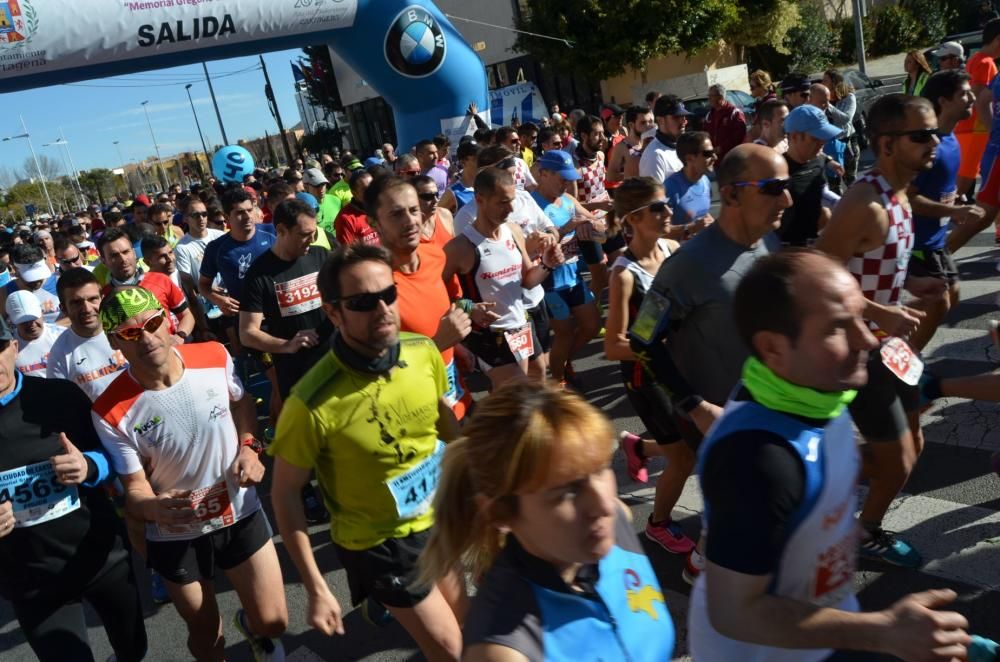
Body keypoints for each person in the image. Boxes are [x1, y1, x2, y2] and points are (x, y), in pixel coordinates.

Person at [687, 249, 971, 661]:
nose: (868, 338)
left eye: (861, 316)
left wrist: (836, 530)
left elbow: (815, 481)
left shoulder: (819, 392)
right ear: (774, 348)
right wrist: (885, 633)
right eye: (839, 328)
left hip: (820, 633)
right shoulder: (754, 459)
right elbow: (734, 613)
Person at [269, 244, 465, 660]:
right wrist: (316, 585)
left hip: (437, 518)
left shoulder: (421, 350)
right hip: (379, 543)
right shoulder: (310, 402)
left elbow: (442, 414)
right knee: (451, 648)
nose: (382, 310)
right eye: (362, 302)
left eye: (388, 294)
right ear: (333, 313)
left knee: (469, 622)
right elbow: (285, 493)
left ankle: (382, 605)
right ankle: (382, 595)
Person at [92, 287, 288, 661]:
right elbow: (134, 489)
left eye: (151, 324)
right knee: (206, 632)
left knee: (274, 622)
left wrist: (250, 445)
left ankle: (253, 626)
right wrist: (153, 507)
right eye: (131, 333)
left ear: (167, 322)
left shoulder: (213, 354)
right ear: (115, 341)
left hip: (238, 511)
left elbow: (241, 401)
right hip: (177, 533)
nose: (147, 338)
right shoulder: (109, 408)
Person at [419, 382, 676, 661]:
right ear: (501, 513)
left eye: (601, 468)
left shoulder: (615, 518)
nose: (602, 504)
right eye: (567, 491)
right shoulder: (503, 653)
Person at [629, 144, 789, 581]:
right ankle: (707, 577)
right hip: (715, 417)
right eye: (774, 188)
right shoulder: (687, 265)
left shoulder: (766, 241)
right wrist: (695, 407)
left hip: (765, 407)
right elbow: (641, 338)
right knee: (743, 505)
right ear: (732, 195)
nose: (786, 199)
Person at [814, 94, 945, 567]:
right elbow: (818, 274)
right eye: (922, 135)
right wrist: (877, 310)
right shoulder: (865, 203)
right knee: (899, 462)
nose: (936, 141)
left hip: (890, 347)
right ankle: (857, 525)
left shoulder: (900, 192)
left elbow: (875, 260)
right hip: (859, 349)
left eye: (934, 132)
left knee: (915, 445)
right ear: (887, 144)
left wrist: (913, 281)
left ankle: (819, 476)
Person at [0, 315, 148, 662]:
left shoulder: (59, 396)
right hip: (32, 580)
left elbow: (117, 456)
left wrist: (89, 465)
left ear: (13, 347)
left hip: (101, 557)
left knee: (134, 650)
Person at [604, 177, 695, 558]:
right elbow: (613, 346)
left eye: (666, 204)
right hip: (648, 378)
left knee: (693, 442)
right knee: (685, 457)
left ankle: (637, 447)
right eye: (658, 208)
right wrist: (659, 351)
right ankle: (658, 524)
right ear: (635, 219)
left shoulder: (673, 249)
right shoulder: (623, 275)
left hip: (684, 368)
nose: (668, 211)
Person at [366, 175, 477, 419]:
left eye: (414, 210)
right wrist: (438, 343)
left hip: (457, 399)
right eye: (396, 214)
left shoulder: (435, 256)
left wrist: (456, 345)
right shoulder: (371, 288)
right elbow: (374, 374)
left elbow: (435, 315)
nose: (410, 222)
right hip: (417, 419)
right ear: (373, 223)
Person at [445, 168, 564, 389]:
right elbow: (436, 292)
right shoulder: (460, 247)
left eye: (512, 201)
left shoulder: (513, 230)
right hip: (491, 335)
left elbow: (527, 280)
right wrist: (467, 307)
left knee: (537, 376)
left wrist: (547, 264)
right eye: (502, 203)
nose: (510, 209)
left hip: (521, 324)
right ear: (480, 199)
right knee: (515, 393)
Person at [909, 71, 982, 353]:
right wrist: (953, 210)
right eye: (964, 94)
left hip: (936, 240)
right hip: (917, 241)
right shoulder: (927, 145)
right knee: (940, 301)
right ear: (943, 101)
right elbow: (907, 198)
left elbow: (942, 186)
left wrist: (957, 198)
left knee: (950, 296)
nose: (972, 97)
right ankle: (902, 365)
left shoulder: (950, 139)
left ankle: (886, 322)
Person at [239, 198, 333, 399]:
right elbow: (247, 333)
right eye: (304, 234)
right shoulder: (259, 274)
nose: (312, 239)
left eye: (314, 233)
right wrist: (286, 345)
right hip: (298, 377)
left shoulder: (322, 256)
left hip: (336, 363)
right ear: (281, 230)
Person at [531, 151, 603, 387]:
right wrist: (566, 228)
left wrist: (591, 225)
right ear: (543, 174)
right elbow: (529, 246)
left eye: (569, 178)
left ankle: (560, 362)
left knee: (592, 324)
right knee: (563, 333)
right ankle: (558, 380)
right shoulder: (530, 205)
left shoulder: (570, 202)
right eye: (561, 178)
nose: (567, 183)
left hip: (573, 276)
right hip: (549, 281)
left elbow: (602, 230)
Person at [198, 188, 276, 350]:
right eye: (240, 212)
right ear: (227, 218)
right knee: (273, 372)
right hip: (249, 324)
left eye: (249, 210)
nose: (247, 216)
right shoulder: (216, 249)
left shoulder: (272, 232)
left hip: (280, 314)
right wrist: (219, 300)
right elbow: (203, 285)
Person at [97, 228, 195, 343]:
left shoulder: (160, 280)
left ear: (134, 252)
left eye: (126, 252)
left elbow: (186, 315)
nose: (123, 259)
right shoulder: (104, 298)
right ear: (103, 261)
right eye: (114, 255)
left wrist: (179, 337)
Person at [47, 268, 128, 401]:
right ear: (64, 309)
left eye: (92, 299)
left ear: (102, 299)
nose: (87, 308)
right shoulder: (59, 355)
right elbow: (60, 404)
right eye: (76, 302)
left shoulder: (128, 328)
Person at [778, 105, 843, 246]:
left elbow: (821, 195)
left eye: (824, 137)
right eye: (815, 138)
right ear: (794, 136)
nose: (822, 143)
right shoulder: (776, 170)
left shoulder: (818, 160)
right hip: (787, 254)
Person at [955, 18, 1000, 201]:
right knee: (963, 185)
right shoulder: (986, 63)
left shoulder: (977, 59)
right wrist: (992, 131)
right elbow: (978, 99)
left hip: (971, 129)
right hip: (975, 130)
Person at [665, 131, 716, 238]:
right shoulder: (670, 187)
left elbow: (702, 216)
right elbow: (658, 230)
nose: (714, 157)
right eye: (708, 154)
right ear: (689, 158)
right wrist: (691, 228)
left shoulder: (706, 181)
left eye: (714, 152)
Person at [5, 289, 65, 377]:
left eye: (33, 318)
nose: (31, 324)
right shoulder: (7, 347)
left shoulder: (62, 335)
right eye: (23, 321)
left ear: (41, 312)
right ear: (12, 320)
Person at [639, 94, 692, 183]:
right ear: (660, 120)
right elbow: (652, 196)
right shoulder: (654, 156)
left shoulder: (682, 147)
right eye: (676, 117)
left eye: (684, 116)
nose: (684, 121)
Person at [824, 69, 860, 188]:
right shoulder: (823, 99)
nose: (822, 83)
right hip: (829, 143)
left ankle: (857, 205)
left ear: (834, 83)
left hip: (846, 142)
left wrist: (828, 106)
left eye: (825, 81)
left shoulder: (849, 97)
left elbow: (845, 119)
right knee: (833, 184)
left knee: (850, 181)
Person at [608, 105, 655, 185]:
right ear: (631, 125)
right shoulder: (622, 147)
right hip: (636, 194)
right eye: (643, 123)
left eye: (651, 122)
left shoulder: (655, 142)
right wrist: (630, 176)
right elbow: (610, 176)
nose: (648, 126)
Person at [335, 169, 379, 246]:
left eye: (372, 187)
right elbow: (346, 254)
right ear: (354, 193)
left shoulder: (379, 208)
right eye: (365, 189)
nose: (371, 192)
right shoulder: (346, 219)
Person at [704, 83, 748, 161]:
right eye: (708, 96)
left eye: (711, 96)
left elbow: (740, 136)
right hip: (715, 160)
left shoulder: (735, 113)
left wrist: (723, 147)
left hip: (731, 159)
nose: (709, 98)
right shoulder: (709, 115)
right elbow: (705, 134)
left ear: (720, 97)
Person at [412, 174, 456, 249]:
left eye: (437, 194)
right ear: (412, 198)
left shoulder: (445, 215)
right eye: (428, 196)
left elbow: (455, 248)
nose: (436, 200)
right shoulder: (408, 228)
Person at [439, 140, 480, 214]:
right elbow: (436, 217)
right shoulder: (453, 192)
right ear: (463, 162)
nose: (481, 162)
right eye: (476, 159)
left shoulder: (486, 186)